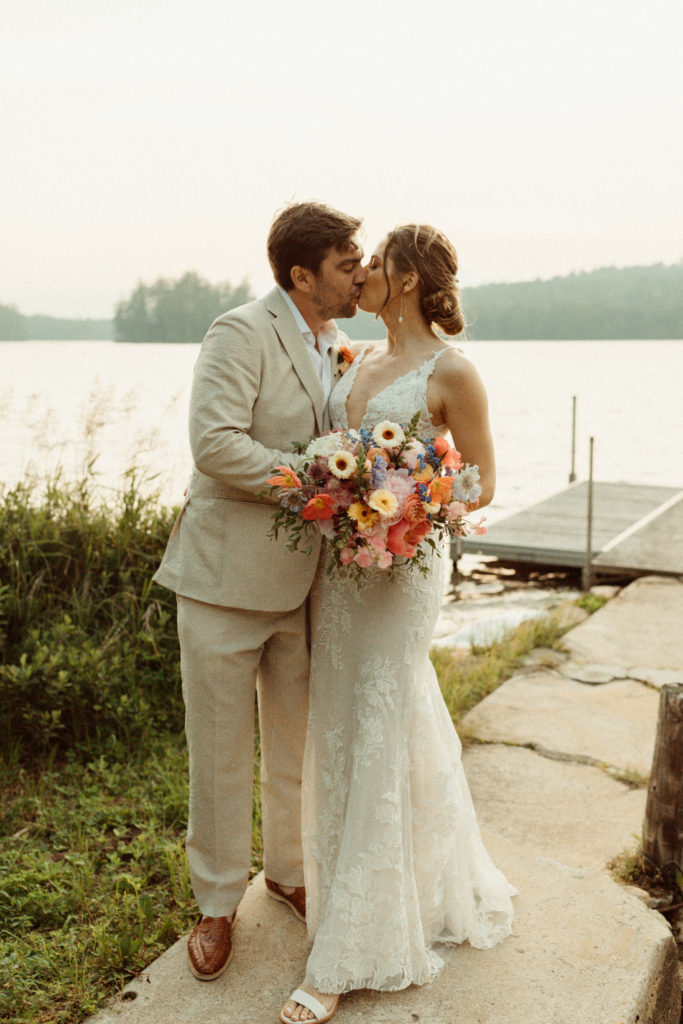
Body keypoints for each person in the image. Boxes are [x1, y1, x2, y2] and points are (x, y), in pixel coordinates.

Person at [280, 225, 516, 1024]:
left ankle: (349, 952)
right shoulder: (357, 358)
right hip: (344, 571)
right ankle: (377, 885)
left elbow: (478, 483)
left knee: (380, 720)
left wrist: (411, 496)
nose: (365, 272)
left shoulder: (452, 371)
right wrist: (345, 494)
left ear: (410, 279)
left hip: (402, 567)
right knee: (345, 723)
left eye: (377, 262)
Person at [153, 201, 367, 980]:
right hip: (221, 581)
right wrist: (315, 484)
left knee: (294, 745)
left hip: (308, 586)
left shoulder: (341, 344)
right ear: (301, 274)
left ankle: (287, 872)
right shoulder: (238, 331)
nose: (361, 273)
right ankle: (215, 905)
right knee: (219, 751)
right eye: (348, 263)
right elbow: (213, 444)